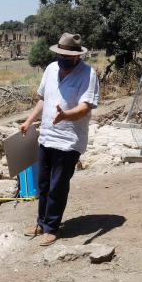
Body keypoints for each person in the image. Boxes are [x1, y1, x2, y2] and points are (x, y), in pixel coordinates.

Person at [20, 33, 100, 247]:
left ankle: (52, 227)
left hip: (69, 140)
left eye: (68, 55)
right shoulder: (51, 69)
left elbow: (86, 106)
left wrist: (66, 115)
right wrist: (28, 121)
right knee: (43, 183)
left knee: (58, 185)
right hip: (47, 137)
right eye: (60, 54)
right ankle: (41, 222)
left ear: (76, 56)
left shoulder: (88, 74)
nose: (63, 58)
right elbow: (43, 99)